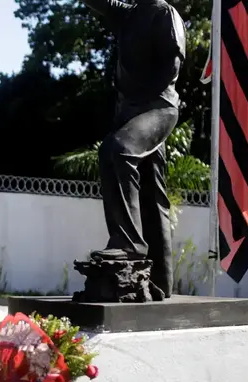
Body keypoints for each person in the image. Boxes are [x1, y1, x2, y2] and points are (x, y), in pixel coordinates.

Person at [80, 0, 187, 300]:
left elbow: (172, 66)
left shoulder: (163, 13)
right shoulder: (127, 15)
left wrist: (139, 100)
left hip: (159, 107)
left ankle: (128, 243)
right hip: (130, 112)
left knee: (117, 150)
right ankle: (161, 280)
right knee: (154, 194)